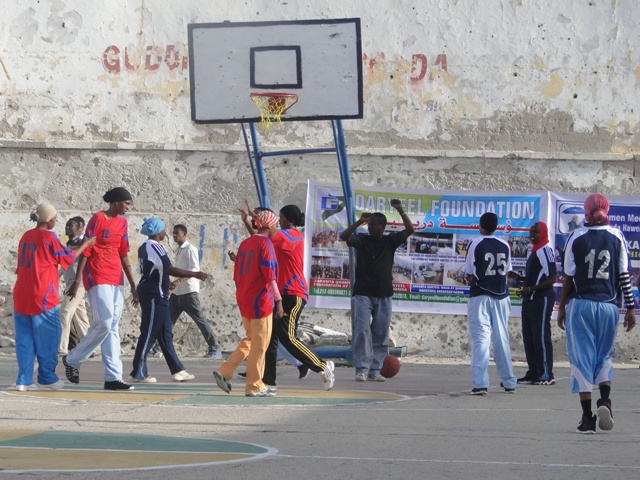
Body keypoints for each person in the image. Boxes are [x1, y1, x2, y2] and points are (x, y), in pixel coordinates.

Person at [557, 193, 636, 434]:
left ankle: (587, 418)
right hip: (609, 306)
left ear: (586, 211)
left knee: (582, 359)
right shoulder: (617, 236)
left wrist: (561, 307)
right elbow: (624, 276)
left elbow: (568, 276)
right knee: (605, 356)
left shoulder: (576, 236)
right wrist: (630, 308)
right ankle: (605, 400)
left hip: (581, 305)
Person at [239, 202, 335, 391]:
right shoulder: (277, 238)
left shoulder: (293, 235)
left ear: (290, 220)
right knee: (269, 338)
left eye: (281, 218)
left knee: (288, 337)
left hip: (293, 293)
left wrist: (258, 217)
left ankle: (323, 366)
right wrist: (250, 221)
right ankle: (268, 382)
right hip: (279, 294)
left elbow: (268, 231)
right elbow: (260, 238)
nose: (279, 221)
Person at [11, 203, 94, 391]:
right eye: (55, 217)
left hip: (22, 293)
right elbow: (68, 257)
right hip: (42, 294)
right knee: (48, 338)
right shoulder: (49, 237)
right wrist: (86, 244)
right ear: (49, 220)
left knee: (24, 340)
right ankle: (47, 377)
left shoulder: (26, 236)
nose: (56, 220)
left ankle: (23, 379)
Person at [63, 187, 139, 391]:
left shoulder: (123, 223)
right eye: (126, 203)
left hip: (116, 278)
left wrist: (133, 285)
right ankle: (72, 359)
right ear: (116, 202)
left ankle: (113, 377)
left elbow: (123, 254)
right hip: (97, 275)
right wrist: (77, 281)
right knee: (103, 323)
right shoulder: (98, 218)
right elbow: (86, 250)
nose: (128, 207)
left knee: (112, 327)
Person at [339, 199, 414, 382]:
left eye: (373, 224)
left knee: (380, 333)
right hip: (363, 293)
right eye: (369, 224)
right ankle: (361, 369)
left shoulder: (390, 241)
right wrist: (359, 221)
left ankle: (375, 370)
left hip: (384, 294)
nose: (369, 227)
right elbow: (344, 236)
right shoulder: (362, 240)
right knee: (362, 331)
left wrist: (400, 210)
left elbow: (410, 230)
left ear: (382, 226)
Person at [213, 210, 283, 397]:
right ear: (269, 225)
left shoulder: (245, 244)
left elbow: (237, 274)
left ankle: (225, 370)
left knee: (251, 340)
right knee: (260, 346)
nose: (277, 229)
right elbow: (270, 276)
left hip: (245, 298)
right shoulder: (266, 244)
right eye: (276, 225)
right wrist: (278, 300)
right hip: (261, 300)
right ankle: (254, 385)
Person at [130, 218, 206, 383]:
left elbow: (145, 271)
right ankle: (139, 371)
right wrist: (194, 274)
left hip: (158, 294)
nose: (166, 233)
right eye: (164, 229)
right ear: (157, 232)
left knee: (165, 333)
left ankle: (178, 370)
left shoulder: (144, 247)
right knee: (149, 332)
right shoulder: (154, 246)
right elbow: (168, 268)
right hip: (154, 295)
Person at [464, 212, 517, 395]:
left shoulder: (475, 243)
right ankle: (509, 381)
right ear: (496, 227)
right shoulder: (505, 245)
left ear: (480, 226)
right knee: (502, 338)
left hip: (481, 295)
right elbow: (507, 271)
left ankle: (481, 383)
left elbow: (469, 273)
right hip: (501, 295)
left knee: (480, 338)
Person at [508, 221, 557, 385]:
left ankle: (546, 374)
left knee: (541, 336)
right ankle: (534, 372)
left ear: (543, 233)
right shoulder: (534, 251)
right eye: (531, 232)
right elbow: (536, 276)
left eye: (536, 232)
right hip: (530, 299)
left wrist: (531, 289)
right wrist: (519, 278)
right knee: (529, 337)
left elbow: (552, 278)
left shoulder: (545, 251)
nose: (532, 235)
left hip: (542, 298)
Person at [166, 224, 221, 358]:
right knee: (167, 321)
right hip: (177, 293)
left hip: (189, 292)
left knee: (200, 320)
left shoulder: (190, 249)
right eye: (173, 233)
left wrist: (179, 281)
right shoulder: (178, 250)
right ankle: (158, 347)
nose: (174, 235)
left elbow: (194, 271)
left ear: (184, 234)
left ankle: (214, 348)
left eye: (177, 233)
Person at [58, 216, 91, 356]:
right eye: (66, 225)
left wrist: (76, 284)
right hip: (71, 284)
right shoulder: (70, 243)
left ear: (80, 228)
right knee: (80, 317)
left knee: (64, 313)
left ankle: (61, 348)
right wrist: (57, 275)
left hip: (77, 285)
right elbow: (67, 263)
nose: (67, 228)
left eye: (70, 226)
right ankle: (90, 347)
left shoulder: (82, 244)